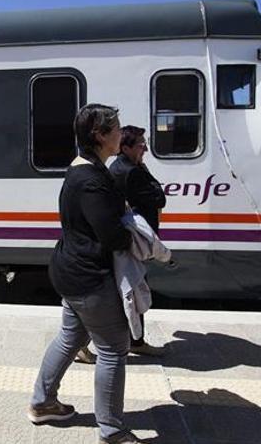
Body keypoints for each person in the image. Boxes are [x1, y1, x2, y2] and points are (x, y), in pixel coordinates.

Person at [28, 104, 140, 444]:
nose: (121, 134)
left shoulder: (80, 169)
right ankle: (111, 430)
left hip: (70, 270)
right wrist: (133, 231)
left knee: (70, 337)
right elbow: (112, 235)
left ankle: (42, 402)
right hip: (88, 276)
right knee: (112, 349)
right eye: (117, 129)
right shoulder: (91, 179)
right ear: (100, 136)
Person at [109, 126, 167, 357]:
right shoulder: (132, 171)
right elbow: (159, 198)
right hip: (135, 242)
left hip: (130, 241)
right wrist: (143, 168)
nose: (145, 149)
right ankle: (135, 341)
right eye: (141, 145)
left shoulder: (118, 167)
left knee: (131, 291)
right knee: (134, 291)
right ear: (126, 148)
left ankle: (135, 339)